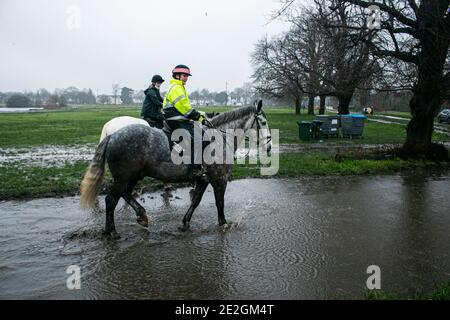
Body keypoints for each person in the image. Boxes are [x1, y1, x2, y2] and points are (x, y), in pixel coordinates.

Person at [163, 64, 207, 179]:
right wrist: (198, 117)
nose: (186, 78)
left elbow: (185, 107)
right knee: (196, 139)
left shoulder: (178, 87)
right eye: (184, 75)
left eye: (187, 76)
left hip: (178, 118)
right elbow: (185, 109)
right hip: (175, 119)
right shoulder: (177, 88)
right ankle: (194, 171)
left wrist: (198, 114)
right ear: (177, 76)